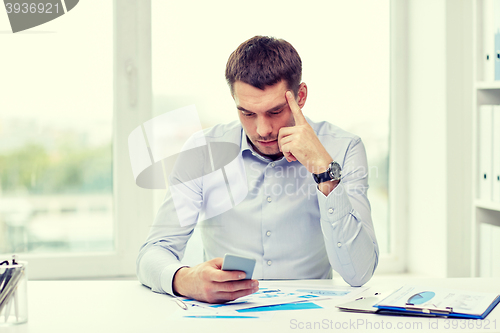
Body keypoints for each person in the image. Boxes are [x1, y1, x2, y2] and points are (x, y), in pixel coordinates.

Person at [136, 35, 379, 304]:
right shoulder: (204, 151)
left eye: (275, 111)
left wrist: (324, 171)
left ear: (300, 96)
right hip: (226, 318)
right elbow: (152, 252)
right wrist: (184, 279)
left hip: (310, 317)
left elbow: (359, 272)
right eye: (247, 113)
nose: (262, 130)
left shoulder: (344, 148)